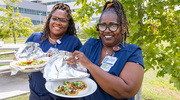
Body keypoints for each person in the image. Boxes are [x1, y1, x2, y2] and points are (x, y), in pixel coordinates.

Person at [66, 0, 144, 100]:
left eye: (112, 26)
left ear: (123, 28)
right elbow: (73, 68)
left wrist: (89, 65)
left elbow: (126, 91)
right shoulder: (91, 45)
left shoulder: (132, 52)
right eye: (102, 26)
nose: (106, 30)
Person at [25, 3, 82, 100]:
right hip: (38, 94)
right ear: (49, 20)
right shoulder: (35, 38)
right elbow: (19, 60)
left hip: (63, 94)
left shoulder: (73, 42)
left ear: (69, 24)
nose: (58, 23)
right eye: (55, 18)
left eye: (63, 20)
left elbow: (82, 67)